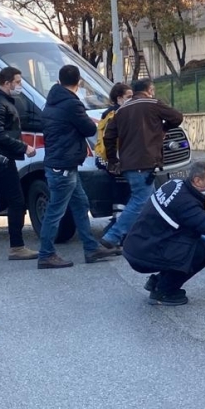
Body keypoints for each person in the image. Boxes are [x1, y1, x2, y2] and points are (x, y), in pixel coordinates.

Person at [122, 161, 205, 305]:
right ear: (197, 180)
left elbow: (177, 221)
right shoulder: (187, 204)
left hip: (139, 245)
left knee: (200, 244)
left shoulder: (176, 184)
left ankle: (157, 282)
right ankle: (164, 291)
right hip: (144, 254)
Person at [38, 65, 120, 269]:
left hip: (61, 163)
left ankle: (91, 248)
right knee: (56, 210)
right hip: (63, 165)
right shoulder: (71, 103)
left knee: (81, 205)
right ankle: (46, 254)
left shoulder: (53, 100)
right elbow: (89, 128)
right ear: (79, 82)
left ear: (58, 81)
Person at [100, 78, 184, 250]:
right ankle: (112, 236)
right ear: (149, 89)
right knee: (139, 201)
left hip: (128, 163)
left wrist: (113, 160)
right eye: (152, 89)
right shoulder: (153, 103)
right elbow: (177, 117)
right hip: (144, 162)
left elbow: (108, 136)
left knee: (152, 202)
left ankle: (153, 236)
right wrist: (163, 128)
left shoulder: (122, 110)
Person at [0, 66, 39, 261]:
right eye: (18, 82)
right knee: (16, 201)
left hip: (2, 158)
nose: (20, 86)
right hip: (1, 158)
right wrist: (23, 147)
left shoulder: (3, 101)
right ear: (7, 83)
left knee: (1, 201)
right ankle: (17, 246)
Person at [94, 82, 132, 172]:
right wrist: (114, 161)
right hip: (114, 159)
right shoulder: (116, 114)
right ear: (119, 98)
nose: (132, 100)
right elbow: (109, 138)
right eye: (129, 97)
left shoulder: (109, 113)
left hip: (106, 157)